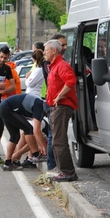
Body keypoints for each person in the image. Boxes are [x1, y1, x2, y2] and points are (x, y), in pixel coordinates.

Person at [44, 39, 78, 182]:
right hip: (56, 106)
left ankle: (68, 172)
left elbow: (71, 81)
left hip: (62, 106)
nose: (44, 53)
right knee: (57, 140)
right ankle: (63, 170)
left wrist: (59, 96)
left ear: (54, 51)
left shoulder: (61, 65)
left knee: (59, 140)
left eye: (46, 50)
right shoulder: (53, 66)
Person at [0, 94, 47, 171]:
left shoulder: (39, 105)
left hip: (4, 107)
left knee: (15, 136)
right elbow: (37, 131)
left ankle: (7, 163)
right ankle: (36, 155)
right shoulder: (40, 107)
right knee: (28, 129)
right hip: (7, 108)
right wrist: (44, 147)